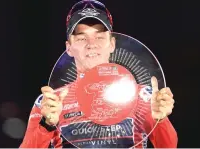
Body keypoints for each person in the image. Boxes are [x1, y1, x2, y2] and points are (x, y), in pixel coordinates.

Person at [20, 0, 177, 148]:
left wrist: (160, 120)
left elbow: (169, 146)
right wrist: (46, 124)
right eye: (82, 38)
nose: (91, 45)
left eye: (99, 37)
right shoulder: (50, 102)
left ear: (112, 44)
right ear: (69, 48)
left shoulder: (142, 96)